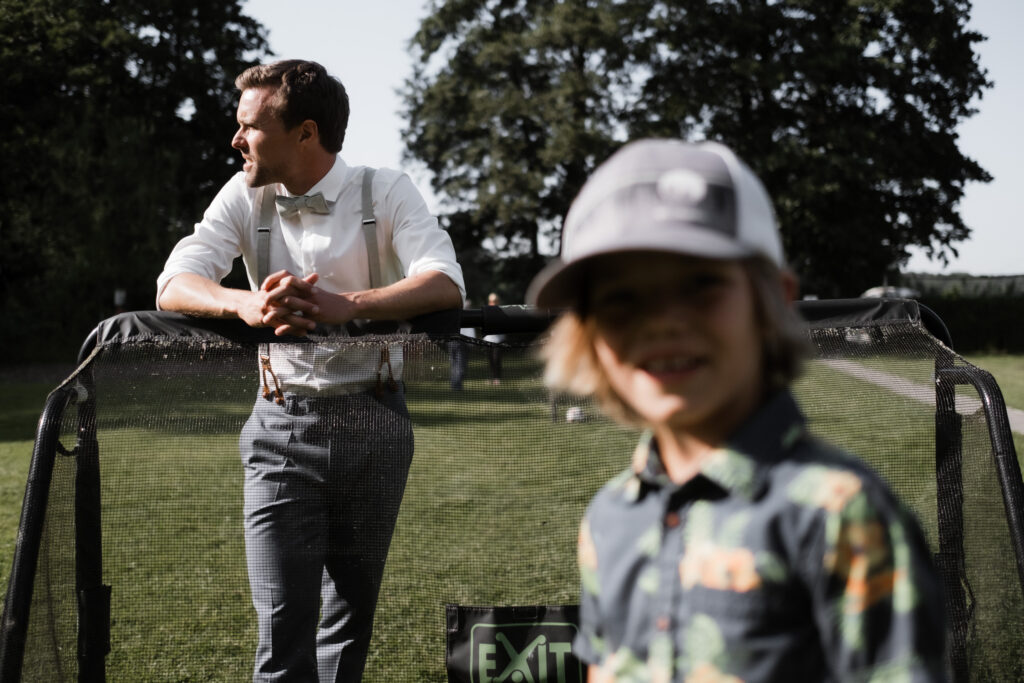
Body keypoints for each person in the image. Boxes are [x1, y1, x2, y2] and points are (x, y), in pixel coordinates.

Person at [526, 139, 947, 682]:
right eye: (622, 298)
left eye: (701, 284)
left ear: (774, 297)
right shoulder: (608, 518)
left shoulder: (841, 516)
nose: (662, 322)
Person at [156, 60, 465, 682]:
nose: (236, 139)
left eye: (251, 126)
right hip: (281, 426)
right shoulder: (242, 193)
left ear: (306, 133)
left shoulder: (387, 189)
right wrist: (247, 304)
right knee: (281, 629)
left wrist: (345, 305)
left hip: (377, 423)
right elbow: (174, 282)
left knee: (349, 624)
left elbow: (446, 280)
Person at [483, 292, 505, 385]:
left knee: (496, 359)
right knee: (490, 360)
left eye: (494, 301)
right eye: (491, 301)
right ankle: (492, 377)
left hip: (498, 340)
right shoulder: (486, 311)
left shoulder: (501, 311)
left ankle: (497, 378)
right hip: (488, 340)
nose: (493, 303)